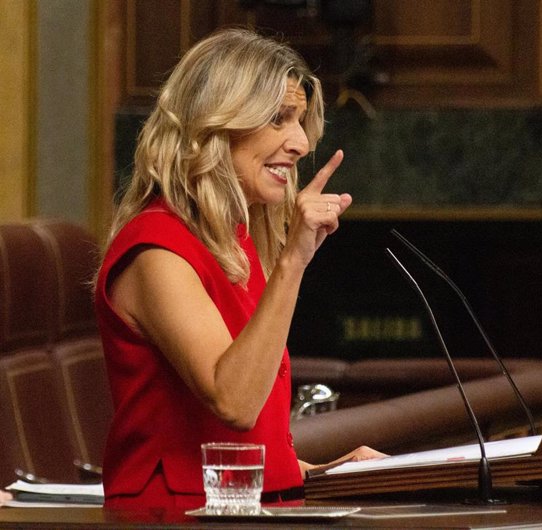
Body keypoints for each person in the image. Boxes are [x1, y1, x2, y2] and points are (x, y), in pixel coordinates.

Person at [94, 27, 383, 510]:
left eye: (299, 122)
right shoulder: (156, 247)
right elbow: (234, 403)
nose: (297, 142)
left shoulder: (237, 241)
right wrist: (295, 259)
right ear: (215, 124)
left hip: (250, 512)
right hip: (170, 517)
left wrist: (322, 472)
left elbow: (236, 451)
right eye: (278, 119)